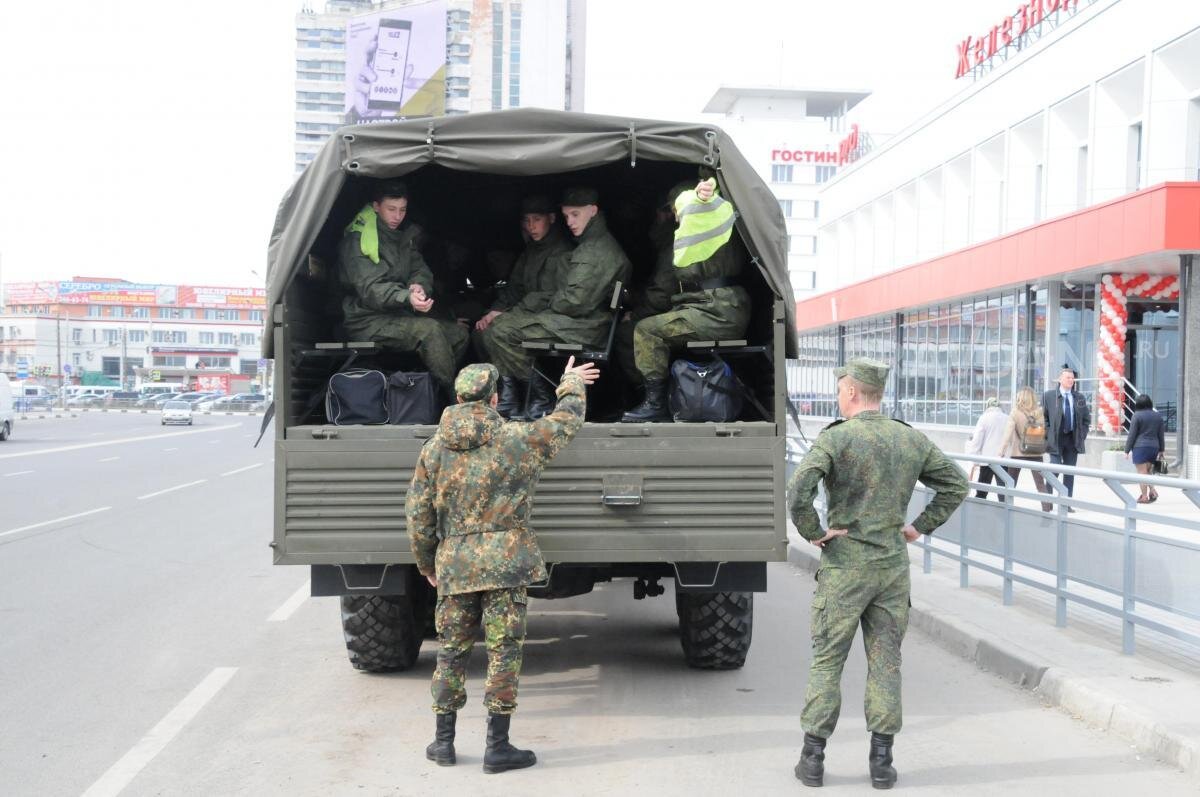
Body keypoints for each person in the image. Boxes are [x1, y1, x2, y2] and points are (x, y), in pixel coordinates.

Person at [407, 357, 599, 774]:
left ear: (458, 398)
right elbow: (566, 421)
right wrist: (570, 382)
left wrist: (426, 563)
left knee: (452, 652)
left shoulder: (434, 449)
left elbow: (418, 514)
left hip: (455, 565)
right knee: (503, 651)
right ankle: (498, 747)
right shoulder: (517, 438)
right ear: (494, 398)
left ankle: (443, 743)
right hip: (507, 562)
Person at [786, 357, 967, 789]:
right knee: (886, 662)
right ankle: (882, 763)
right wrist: (918, 527)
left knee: (828, 659)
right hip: (890, 568)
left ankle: (813, 760)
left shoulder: (836, 439)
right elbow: (957, 484)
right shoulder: (909, 439)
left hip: (845, 566)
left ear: (850, 392)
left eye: (839, 390)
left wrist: (814, 532)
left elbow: (798, 490)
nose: (838, 396)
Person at [486, 187, 632, 419]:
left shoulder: (595, 251)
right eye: (566, 216)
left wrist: (549, 299)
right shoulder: (589, 245)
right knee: (500, 328)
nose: (570, 222)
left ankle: (541, 396)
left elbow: (573, 302)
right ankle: (514, 398)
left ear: (593, 211)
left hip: (586, 327)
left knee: (503, 330)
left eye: (576, 215)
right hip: (581, 322)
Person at [621, 177, 751, 422]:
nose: (675, 217)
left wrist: (703, 195)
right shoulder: (707, 228)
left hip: (716, 311)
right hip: (715, 307)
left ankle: (655, 404)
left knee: (646, 331)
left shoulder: (705, 228)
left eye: (676, 211)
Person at [337, 180, 469, 394]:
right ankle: (451, 398)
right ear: (376, 206)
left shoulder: (401, 238)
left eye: (402, 210)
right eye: (391, 209)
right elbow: (371, 289)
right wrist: (406, 297)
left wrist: (418, 286)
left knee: (459, 335)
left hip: (398, 315)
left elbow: (421, 269)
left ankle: (428, 391)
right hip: (366, 320)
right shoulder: (359, 240)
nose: (397, 216)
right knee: (430, 331)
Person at [473, 195, 573, 418]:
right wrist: (493, 312)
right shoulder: (531, 251)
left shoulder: (562, 252)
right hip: (527, 316)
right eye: (526, 221)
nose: (531, 226)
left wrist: (504, 314)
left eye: (536, 219)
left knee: (500, 332)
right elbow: (514, 289)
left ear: (552, 219)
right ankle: (508, 395)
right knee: (483, 333)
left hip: (553, 319)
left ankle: (541, 394)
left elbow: (552, 296)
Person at [614, 181, 692, 387]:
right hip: (684, 307)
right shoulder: (670, 243)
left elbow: (662, 295)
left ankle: (644, 394)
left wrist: (636, 313)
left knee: (627, 332)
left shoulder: (674, 244)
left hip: (686, 309)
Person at [999, 386, 1053, 512]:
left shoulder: (1015, 412)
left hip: (1018, 452)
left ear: (1020, 397)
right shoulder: (1039, 412)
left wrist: (1001, 450)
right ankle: (1046, 509)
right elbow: (1043, 432)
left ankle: (1007, 508)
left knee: (1011, 482)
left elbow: (1007, 433)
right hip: (1035, 452)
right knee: (1040, 484)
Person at [1042, 366, 1091, 501]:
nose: (1071, 380)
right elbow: (1043, 418)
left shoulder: (1079, 397)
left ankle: (1066, 502)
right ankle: (1048, 499)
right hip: (1056, 439)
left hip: (1072, 439)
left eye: (1072, 378)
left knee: (1069, 472)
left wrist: (1082, 435)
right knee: (1055, 469)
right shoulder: (1049, 396)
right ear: (1060, 379)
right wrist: (1048, 434)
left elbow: (1086, 419)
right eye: (1068, 378)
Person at [965, 397, 1010, 501]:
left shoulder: (984, 418)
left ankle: (978, 511)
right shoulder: (1006, 418)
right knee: (1003, 492)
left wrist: (974, 458)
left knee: (982, 491)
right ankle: (1006, 513)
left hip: (987, 460)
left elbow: (977, 440)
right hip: (1003, 459)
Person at [1125, 393, 1165, 503]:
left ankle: (1144, 496)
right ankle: (1152, 490)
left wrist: (1127, 450)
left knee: (1142, 473)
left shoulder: (1137, 415)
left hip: (1140, 447)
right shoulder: (1158, 416)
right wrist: (1162, 449)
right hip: (1154, 447)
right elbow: (1161, 434)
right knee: (1148, 472)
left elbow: (1132, 434)